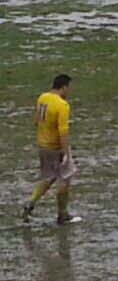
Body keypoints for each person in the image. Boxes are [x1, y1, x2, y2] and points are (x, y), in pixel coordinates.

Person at [24, 74, 79, 225]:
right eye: (69, 88)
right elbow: (63, 131)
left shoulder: (42, 98)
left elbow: (36, 121)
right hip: (56, 147)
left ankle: (30, 203)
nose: (69, 91)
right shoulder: (62, 105)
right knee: (65, 179)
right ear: (64, 87)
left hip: (43, 146)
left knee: (48, 177)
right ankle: (62, 214)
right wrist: (66, 153)